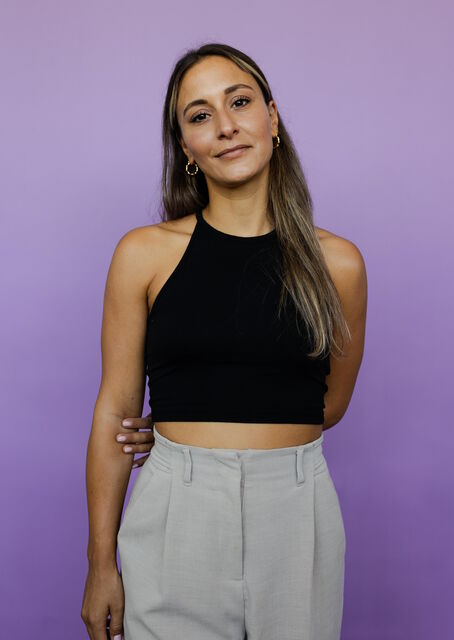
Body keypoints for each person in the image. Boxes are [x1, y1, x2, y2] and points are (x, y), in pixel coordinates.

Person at [81, 42, 367, 640]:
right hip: (175, 508)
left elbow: (328, 404)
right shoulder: (143, 254)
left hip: (297, 508)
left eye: (239, 102)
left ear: (272, 117)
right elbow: (114, 411)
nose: (226, 126)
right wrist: (101, 564)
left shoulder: (338, 264)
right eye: (200, 114)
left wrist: (225, 414)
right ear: (186, 147)